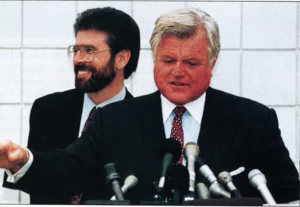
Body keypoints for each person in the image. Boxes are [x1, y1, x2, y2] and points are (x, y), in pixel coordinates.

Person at [0, 8, 299, 204]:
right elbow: (66, 171)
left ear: (213, 63)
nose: (178, 71)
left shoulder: (253, 120)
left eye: (191, 62)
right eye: (168, 61)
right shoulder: (113, 120)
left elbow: (288, 193)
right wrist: (20, 159)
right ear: (155, 60)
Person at [2, 7, 140, 204]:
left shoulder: (142, 121)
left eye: (89, 50)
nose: (78, 59)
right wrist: (17, 162)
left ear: (121, 58)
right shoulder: (48, 109)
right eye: (76, 50)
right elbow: (37, 184)